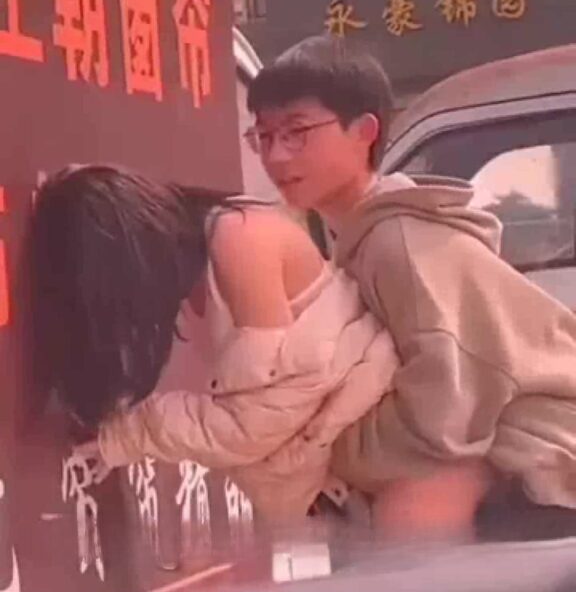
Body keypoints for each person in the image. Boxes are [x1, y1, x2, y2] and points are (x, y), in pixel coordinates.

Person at [246, 35, 576, 539]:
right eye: (264, 137)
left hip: (546, 454)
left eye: (297, 132)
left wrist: (328, 447)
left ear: (365, 132)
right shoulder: (360, 236)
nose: (277, 155)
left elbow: (442, 414)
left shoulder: (396, 241)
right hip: (504, 442)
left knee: (415, 518)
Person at [28, 164, 398, 526]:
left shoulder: (241, 241)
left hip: (392, 448)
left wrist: (130, 434)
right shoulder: (198, 261)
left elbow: (254, 425)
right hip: (355, 472)